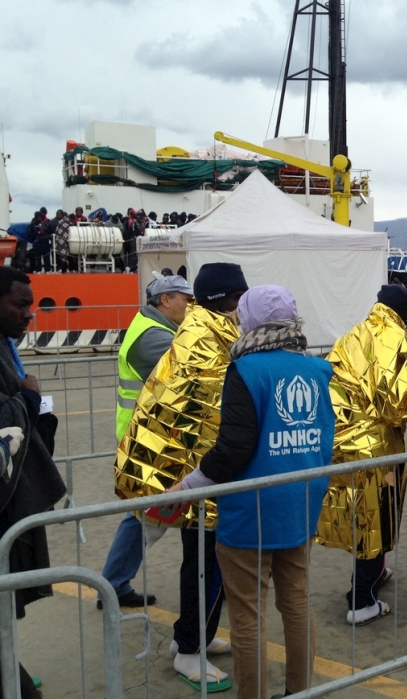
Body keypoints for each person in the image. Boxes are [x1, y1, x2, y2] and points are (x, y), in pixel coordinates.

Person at [168, 285, 334, 699]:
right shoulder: (316, 368)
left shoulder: (245, 369)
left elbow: (234, 449)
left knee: (248, 614)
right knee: (295, 602)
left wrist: (188, 486)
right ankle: (300, 690)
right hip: (300, 502)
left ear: (252, 320)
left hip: (252, 511)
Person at [116, 262, 249, 691]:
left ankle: (190, 639)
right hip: (201, 477)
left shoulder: (197, 332)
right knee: (209, 565)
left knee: (203, 562)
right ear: (227, 299)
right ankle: (191, 650)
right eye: (238, 298)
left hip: (189, 474)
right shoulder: (206, 340)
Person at [317, 285, 407, 626]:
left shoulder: (353, 333)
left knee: (361, 517)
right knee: (373, 520)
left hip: (342, 440)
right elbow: (396, 406)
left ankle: (374, 574)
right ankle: (361, 601)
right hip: (375, 447)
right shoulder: (394, 339)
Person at [98, 275, 194, 611]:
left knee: (156, 513)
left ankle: (113, 583)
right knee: (149, 516)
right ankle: (111, 585)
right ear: (165, 300)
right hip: (150, 441)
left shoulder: (156, 328)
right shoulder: (153, 336)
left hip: (154, 437)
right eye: (186, 299)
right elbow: (185, 380)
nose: (191, 305)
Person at [0, 268, 66, 699]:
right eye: (20, 304)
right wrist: (26, 398)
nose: (30, 314)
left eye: (32, 304)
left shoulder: (7, 348)